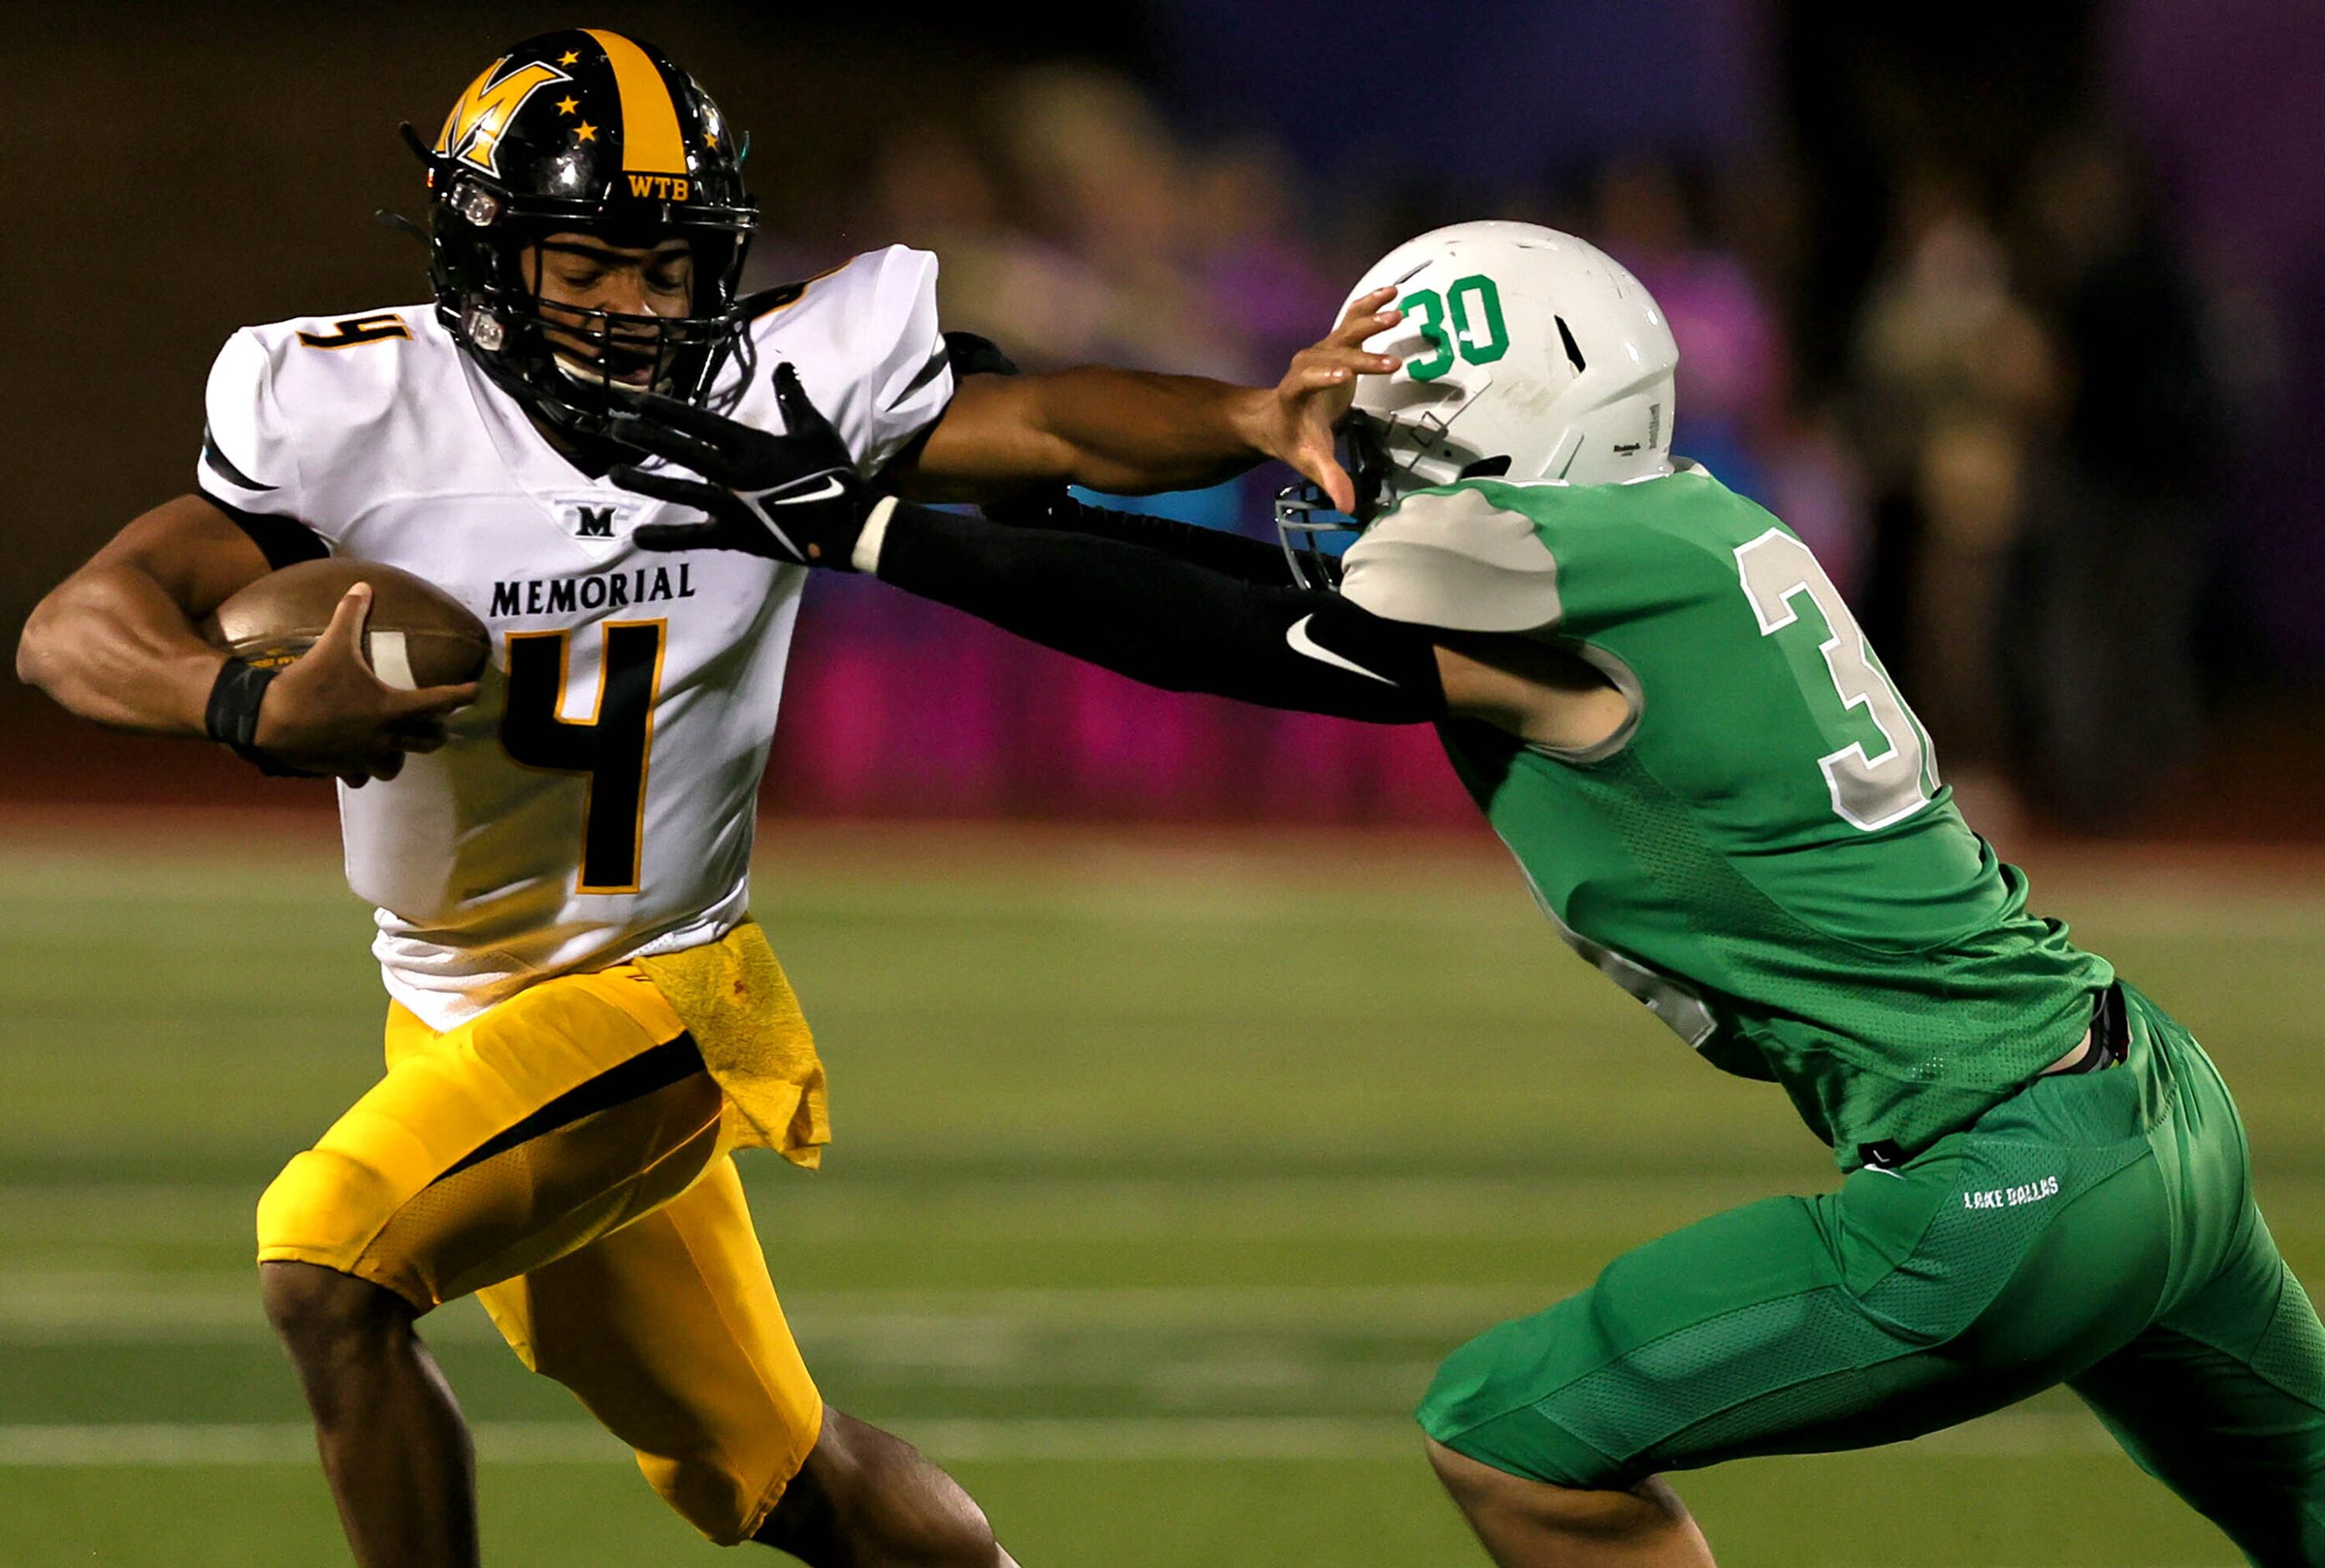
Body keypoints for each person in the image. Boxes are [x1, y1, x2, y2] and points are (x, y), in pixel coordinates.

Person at [604, 220, 2325, 1566]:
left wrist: (886, 535)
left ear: (1499, 440)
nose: (1349, 471)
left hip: (2002, 1174)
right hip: (2155, 1100)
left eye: (1386, 438)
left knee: (1510, 1430)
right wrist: (928, 510)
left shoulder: (1553, 572)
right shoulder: (1686, 531)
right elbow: (1251, 600)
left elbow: (1235, 640)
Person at [12, 28, 1369, 1568]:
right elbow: (74, 625)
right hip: (459, 1015)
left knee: (323, 1265)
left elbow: (1050, 420)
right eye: (586, 263)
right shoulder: (352, 405)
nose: (633, 308)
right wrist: (240, 697)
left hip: (665, 1000)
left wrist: (1250, 416)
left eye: (667, 270)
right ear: (485, 249)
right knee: (794, 1476)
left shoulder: (779, 376)